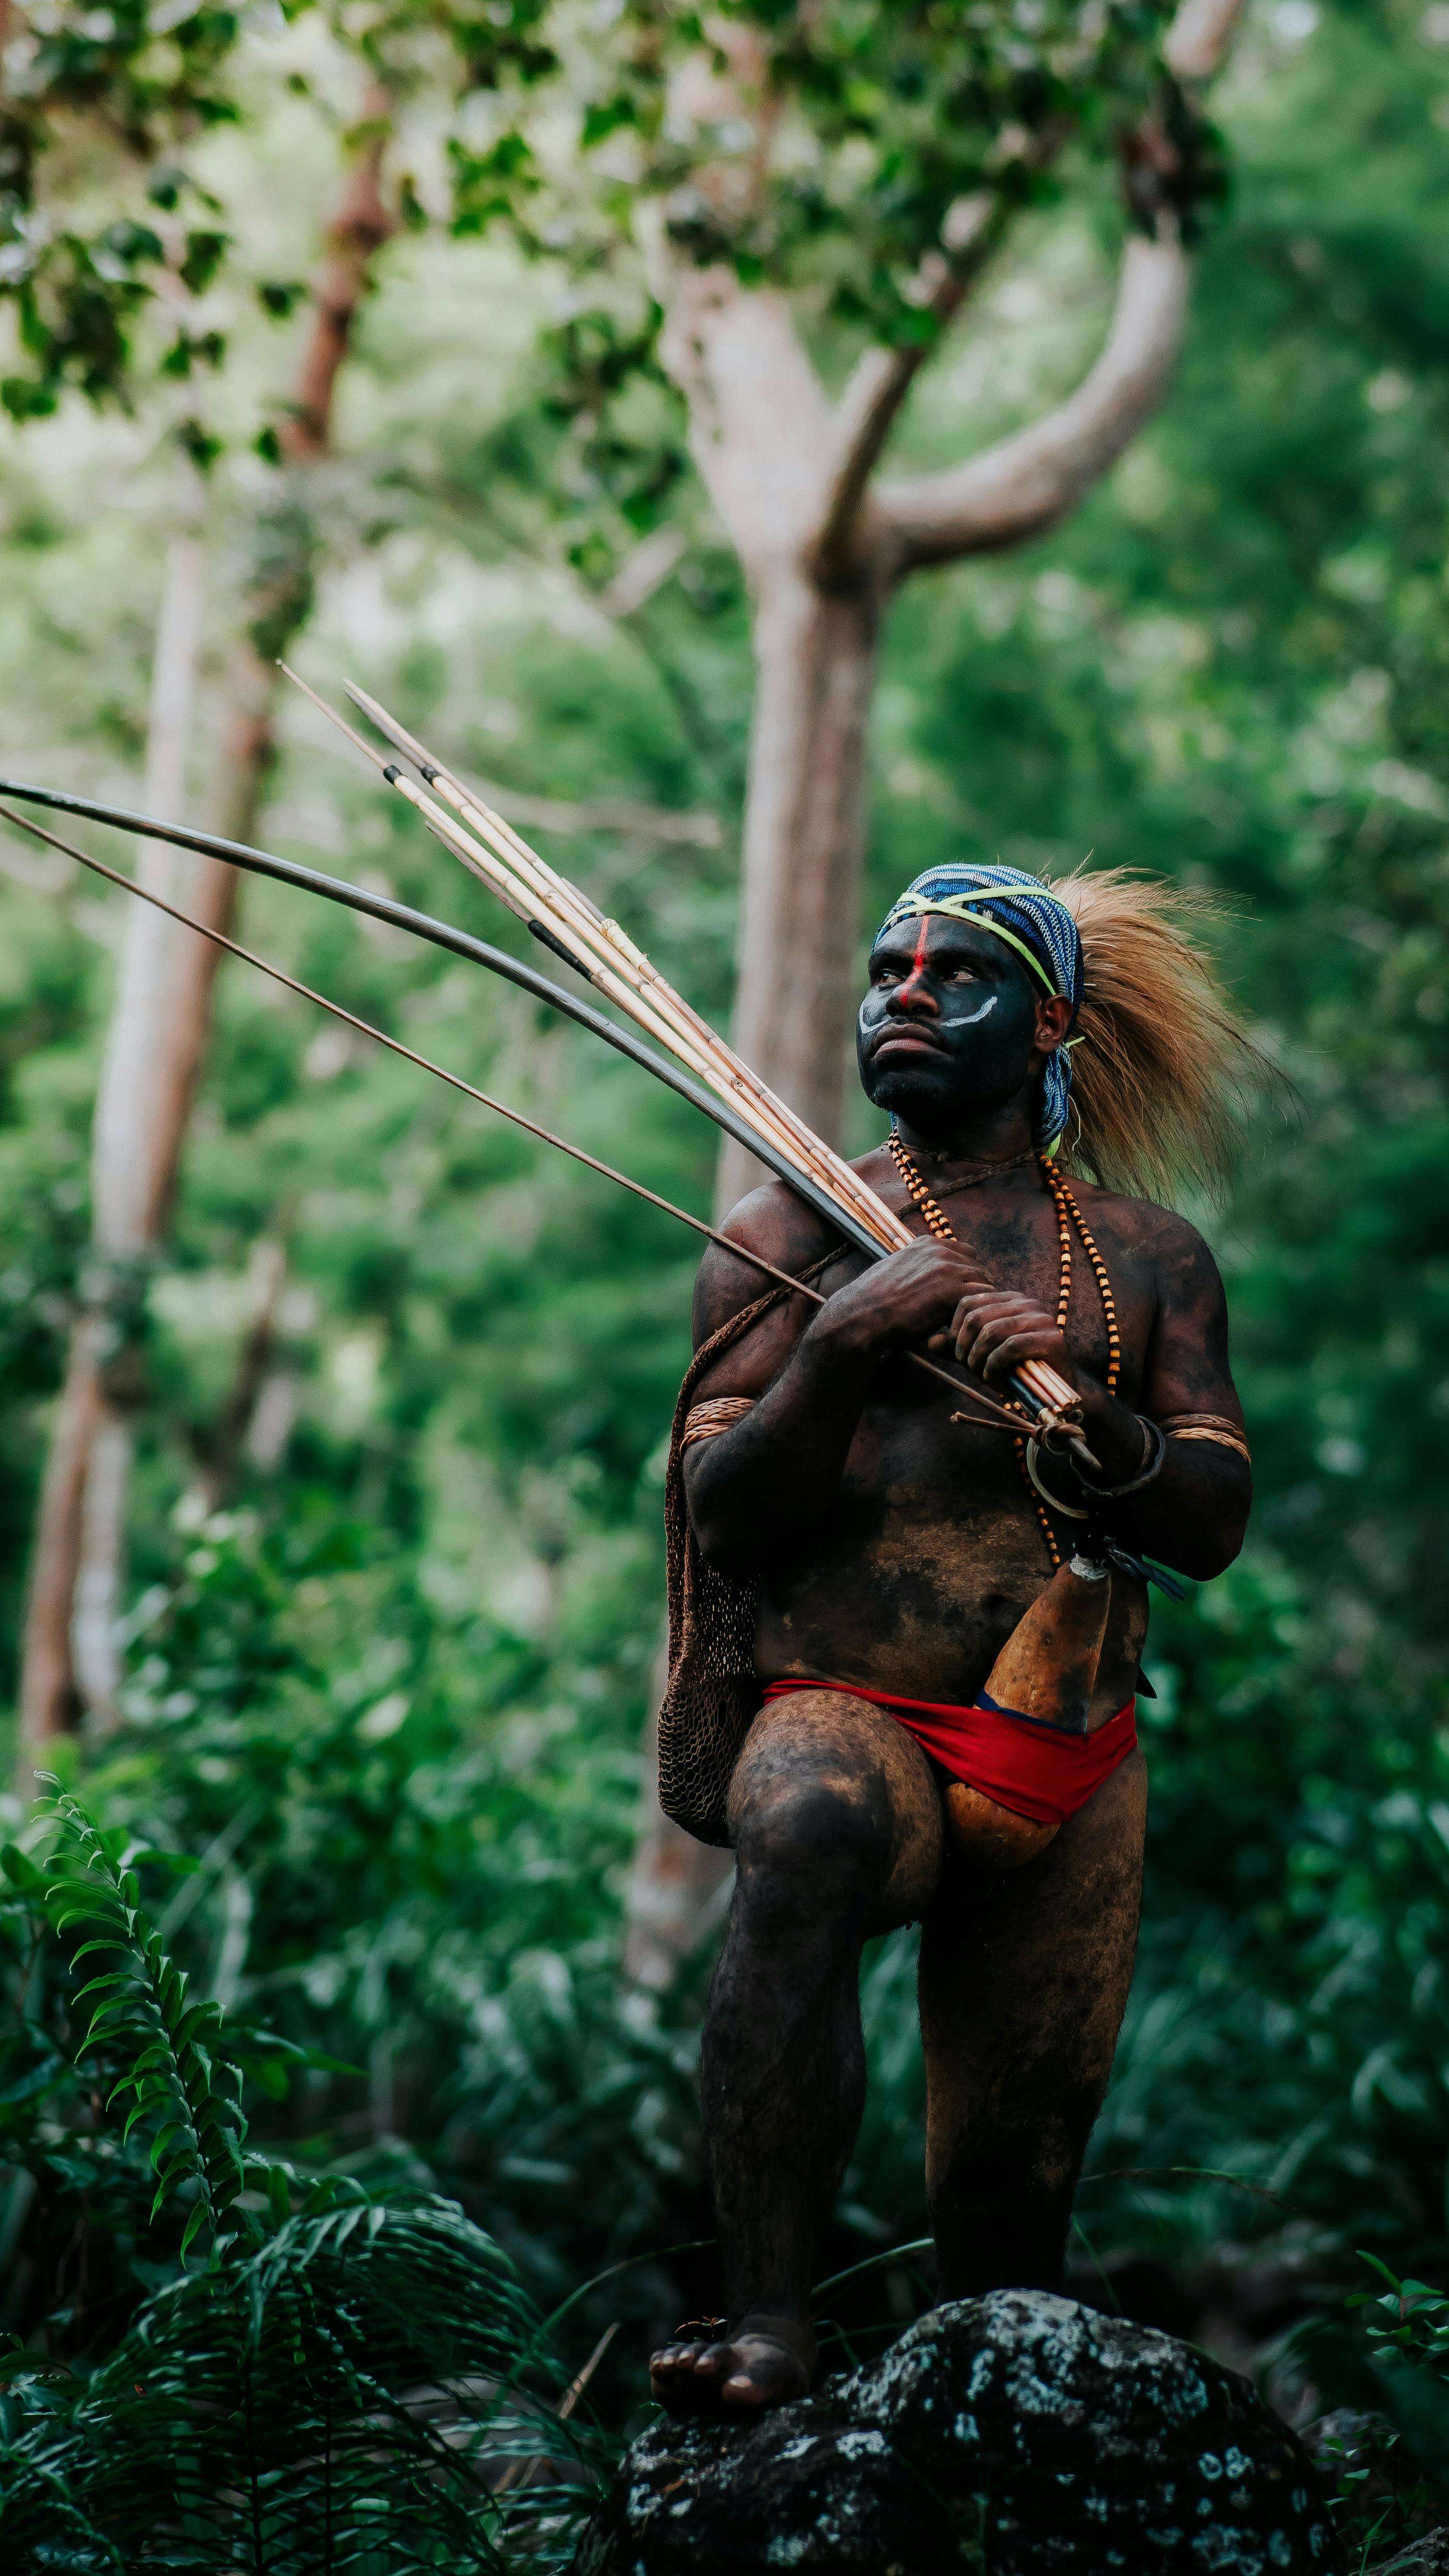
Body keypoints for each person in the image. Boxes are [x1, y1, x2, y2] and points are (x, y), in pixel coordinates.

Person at [648, 861, 1260, 2416]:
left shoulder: (1143, 1256)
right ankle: (769, 2324)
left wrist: (1099, 1419)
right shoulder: (786, 1229)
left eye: (952, 975)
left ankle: (988, 2398)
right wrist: (844, 1343)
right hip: (847, 1705)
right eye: (886, 967)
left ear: (1049, 1020)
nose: (903, 992)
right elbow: (725, 1514)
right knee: (804, 1826)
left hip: (1067, 1733)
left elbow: (1208, 1518)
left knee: (1011, 2183)